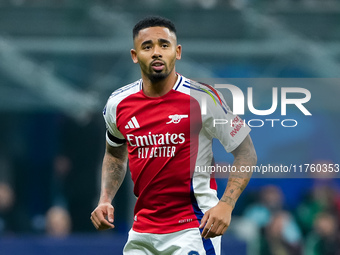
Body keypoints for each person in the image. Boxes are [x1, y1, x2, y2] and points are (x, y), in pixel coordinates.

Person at [91, 16, 257, 255]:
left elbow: (246, 153)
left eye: (164, 45)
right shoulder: (118, 103)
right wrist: (105, 198)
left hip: (193, 228)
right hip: (142, 232)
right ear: (135, 55)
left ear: (177, 52)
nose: (157, 52)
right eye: (147, 46)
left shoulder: (203, 98)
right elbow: (115, 154)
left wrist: (226, 205)